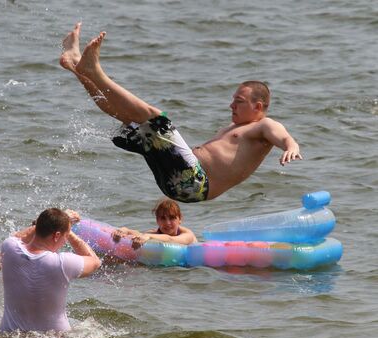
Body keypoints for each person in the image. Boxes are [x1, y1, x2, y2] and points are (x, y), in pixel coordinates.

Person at [60, 23, 303, 203]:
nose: (231, 106)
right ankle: (76, 66)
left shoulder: (263, 126)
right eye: (232, 100)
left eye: (238, 101)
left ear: (258, 107)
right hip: (176, 181)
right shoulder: (235, 128)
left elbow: (281, 135)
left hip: (195, 183)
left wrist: (291, 146)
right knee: (127, 115)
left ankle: (94, 70)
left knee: (155, 117)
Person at [0, 208, 101, 333]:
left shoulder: (9, 247)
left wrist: (52, 224)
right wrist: (69, 232)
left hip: (10, 336)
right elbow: (95, 262)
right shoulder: (62, 263)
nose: (65, 241)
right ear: (57, 235)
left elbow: (22, 237)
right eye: (66, 236)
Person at [112, 198, 196, 249]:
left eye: (172, 218)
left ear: (180, 219)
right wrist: (123, 231)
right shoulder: (154, 233)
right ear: (157, 220)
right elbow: (138, 234)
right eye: (163, 218)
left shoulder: (188, 234)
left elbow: (171, 239)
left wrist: (148, 236)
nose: (167, 223)